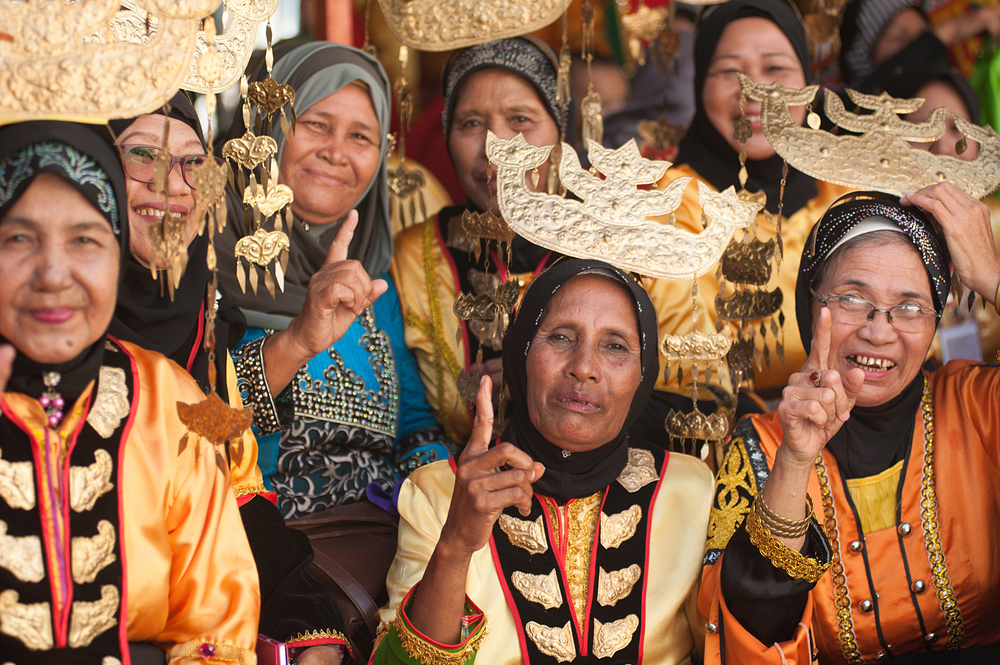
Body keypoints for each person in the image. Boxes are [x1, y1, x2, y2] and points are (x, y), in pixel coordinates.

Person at [700, 185, 1000, 663]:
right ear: (811, 304)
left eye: (909, 307)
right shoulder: (763, 444)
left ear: (936, 319)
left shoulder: (979, 405)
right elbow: (752, 632)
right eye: (853, 299)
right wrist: (796, 460)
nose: (879, 332)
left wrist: (993, 278)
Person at [0, 121, 259, 663]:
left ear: (118, 257)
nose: (53, 273)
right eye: (18, 238)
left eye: (86, 240)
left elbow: (214, 632)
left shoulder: (169, 402)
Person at [371, 259, 715, 664]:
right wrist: (455, 547)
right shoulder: (438, 492)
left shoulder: (688, 489)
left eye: (615, 346)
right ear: (521, 353)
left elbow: (737, 644)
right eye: (561, 337)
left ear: (643, 374)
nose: (584, 367)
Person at [108, 93, 351, 663]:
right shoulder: (40, 326)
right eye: (142, 155)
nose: (172, 183)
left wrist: (306, 623)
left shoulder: (202, 330)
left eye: (194, 162)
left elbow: (239, 492)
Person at [216, 43, 455, 517]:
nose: (336, 152)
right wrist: (298, 341)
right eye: (315, 124)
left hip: (384, 543)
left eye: (361, 137)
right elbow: (197, 423)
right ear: (264, 128)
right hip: (260, 544)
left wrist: (445, 503)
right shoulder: (202, 257)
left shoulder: (372, 275)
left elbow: (414, 427)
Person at [654, 0, 853, 397]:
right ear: (700, 85)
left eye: (775, 68)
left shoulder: (849, 196)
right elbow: (689, 379)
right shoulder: (669, 205)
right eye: (730, 71)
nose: (754, 91)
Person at [392, 36, 567, 446]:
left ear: (562, 133)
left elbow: (689, 402)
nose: (496, 147)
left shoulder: (618, 240)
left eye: (521, 119)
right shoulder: (418, 253)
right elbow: (409, 419)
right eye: (471, 123)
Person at [839, 0, 1000, 92]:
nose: (915, 45)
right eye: (897, 36)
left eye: (923, 34)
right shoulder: (861, 103)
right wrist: (950, 31)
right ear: (864, 63)